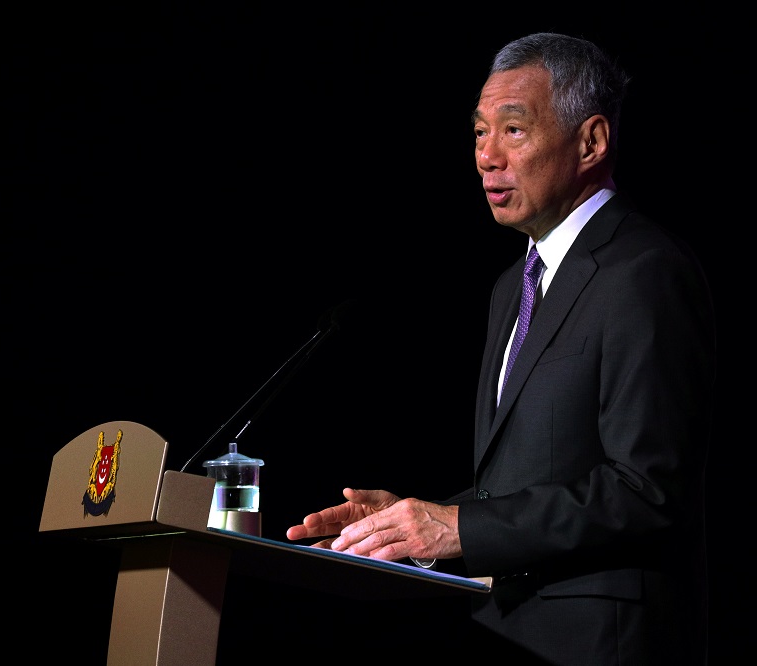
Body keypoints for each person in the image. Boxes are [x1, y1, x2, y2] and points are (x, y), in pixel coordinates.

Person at [285, 32, 716, 664]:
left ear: (591, 142)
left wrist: (456, 527)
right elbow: (526, 485)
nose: (487, 156)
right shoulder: (510, 288)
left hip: (606, 644)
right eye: (479, 132)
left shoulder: (643, 271)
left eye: (513, 130)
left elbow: (647, 489)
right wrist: (415, 523)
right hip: (506, 633)